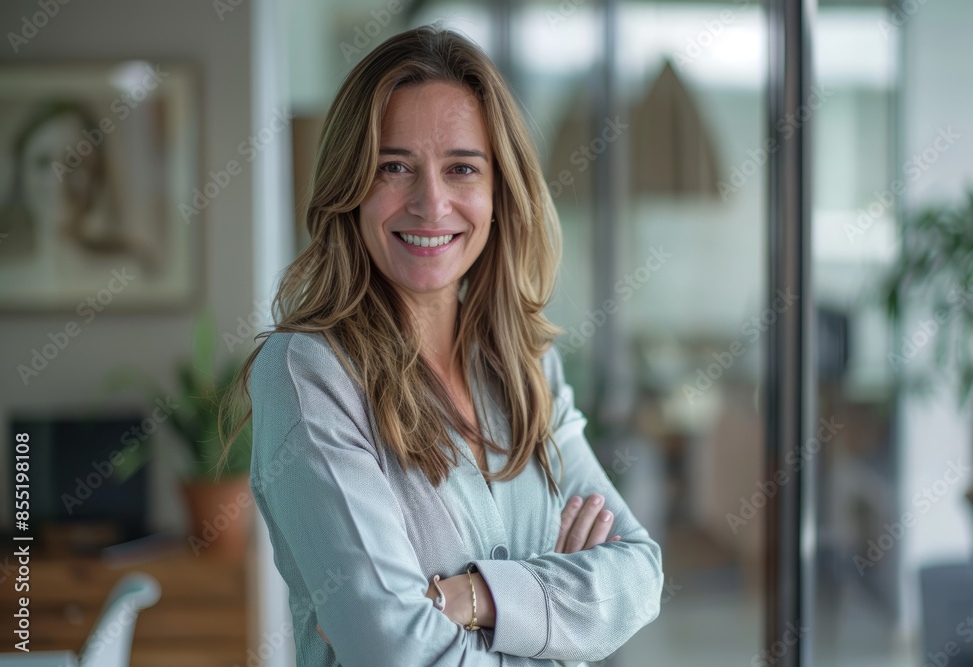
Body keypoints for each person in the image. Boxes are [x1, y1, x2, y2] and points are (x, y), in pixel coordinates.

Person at [217, 23, 663, 667]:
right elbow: (397, 652)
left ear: (499, 191)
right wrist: (557, 617)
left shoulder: (527, 365)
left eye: (462, 169)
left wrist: (472, 597)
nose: (431, 203)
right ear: (351, 188)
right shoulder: (310, 374)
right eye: (394, 167)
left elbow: (638, 573)